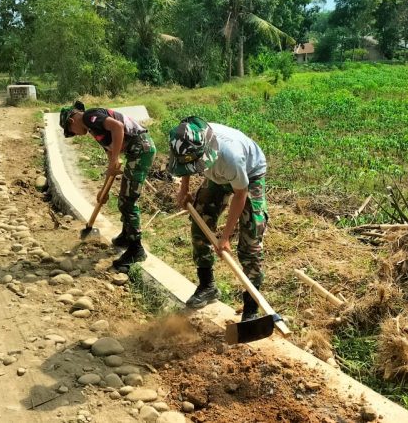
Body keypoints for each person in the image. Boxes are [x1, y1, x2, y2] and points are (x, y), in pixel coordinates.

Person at [168, 116, 269, 321]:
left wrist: (224, 236)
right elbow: (183, 164)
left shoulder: (230, 157)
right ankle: (207, 286)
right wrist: (184, 189)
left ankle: (251, 308)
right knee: (200, 224)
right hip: (217, 176)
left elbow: (240, 195)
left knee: (250, 241)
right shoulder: (183, 142)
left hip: (249, 174)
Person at [60, 101, 156, 272]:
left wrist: (115, 160)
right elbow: (111, 153)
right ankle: (127, 236)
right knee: (123, 199)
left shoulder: (89, 117)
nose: (76, 135)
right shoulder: (93, 128)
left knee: (128, 201)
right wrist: (103, 190)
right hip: (136, 149)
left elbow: (118, 127)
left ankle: (136, 249)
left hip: (141, 148)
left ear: (72, 122)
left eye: (71, 132)